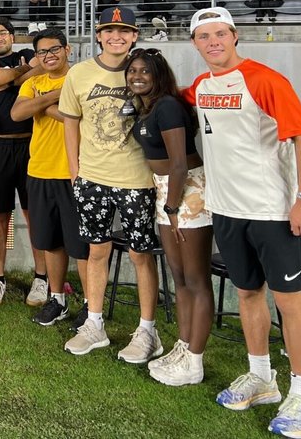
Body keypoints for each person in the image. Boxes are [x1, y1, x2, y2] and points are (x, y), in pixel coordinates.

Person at [184, 7, 301, 436]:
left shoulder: (266, 80)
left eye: (221, 34)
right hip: (226, 208)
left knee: (289, 301)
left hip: (272, 209)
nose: (213, 42)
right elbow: (173, 97)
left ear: (235, 36)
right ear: (195, 43)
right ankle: (262, 378)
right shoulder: (201, 86)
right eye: (204, 36)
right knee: (247, 293)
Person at [59, 6, 161, 363]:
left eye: (124, 31)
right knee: (96, 252)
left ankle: (148, 331)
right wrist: (75, 169)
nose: (116, 36)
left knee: (140, 255)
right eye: (109, 30)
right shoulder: (80, 73)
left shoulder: (145, 72)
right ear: (98, 35)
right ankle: (94, 324)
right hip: (93, 178)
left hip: (137, 178)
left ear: (134, 36)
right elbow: (70, 122)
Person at [124, 48, 212, 387]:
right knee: (180, 277)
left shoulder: (169, 106)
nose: (137, 76)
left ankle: (195, 360)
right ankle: (184, 345)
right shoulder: (147, 107)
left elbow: (179, 163)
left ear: (159, 74)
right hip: (166, 191)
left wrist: (174, 208)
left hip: (186, 192)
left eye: (145, 71)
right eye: (132, 71)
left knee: (196, 279)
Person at [12, 27, 90, 327]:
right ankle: (57, 300)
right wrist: (57, 97)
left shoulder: (82, 78)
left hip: (75, 172)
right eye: (42, 52)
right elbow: (18, 113)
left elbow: (81, 119)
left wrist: (46, 105)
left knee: (81, 244)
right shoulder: (35, 82)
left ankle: (89, 305)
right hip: (40, 170)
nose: (48, 56)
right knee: (50, 242)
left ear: (67, 50)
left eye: (54, 49)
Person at [0, 17, 48, 308]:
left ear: (12, 36)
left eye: (4, 32)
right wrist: (18, 77)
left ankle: (41, 278)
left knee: (34, 213)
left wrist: (9, 78)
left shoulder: (27, 54)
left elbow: (39, 69)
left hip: (31, 143)